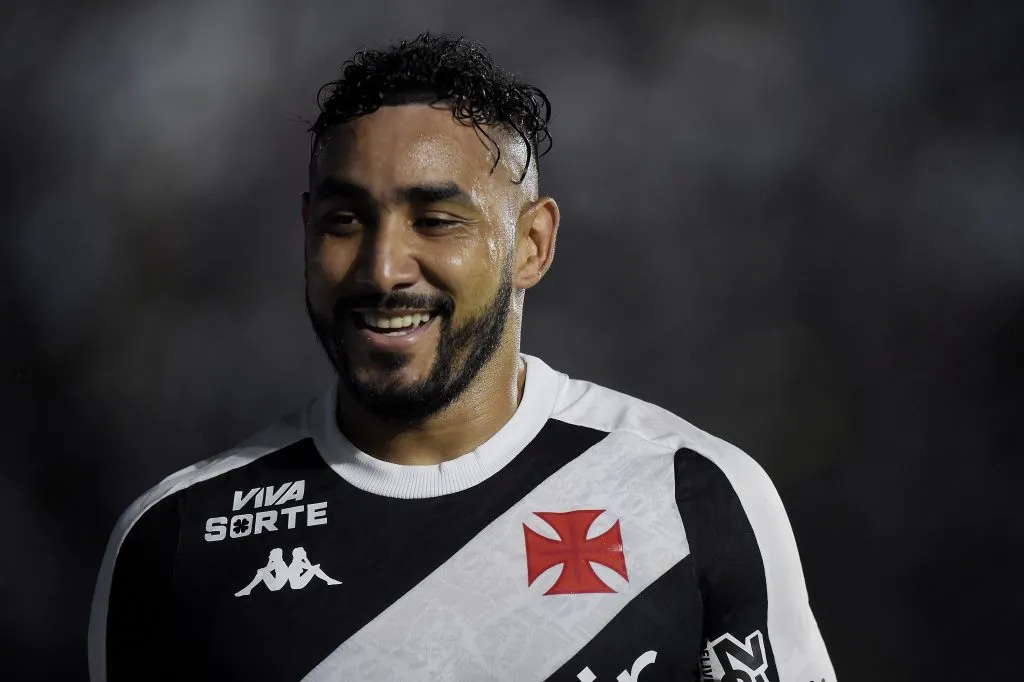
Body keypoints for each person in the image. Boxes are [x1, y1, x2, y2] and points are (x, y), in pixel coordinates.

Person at [88, 32, 835, 682]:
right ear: (307, 231)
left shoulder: (689, 495)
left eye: (436, 219)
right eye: (347, 221)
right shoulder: (177, 539)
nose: (383, 269)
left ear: (532, 245)